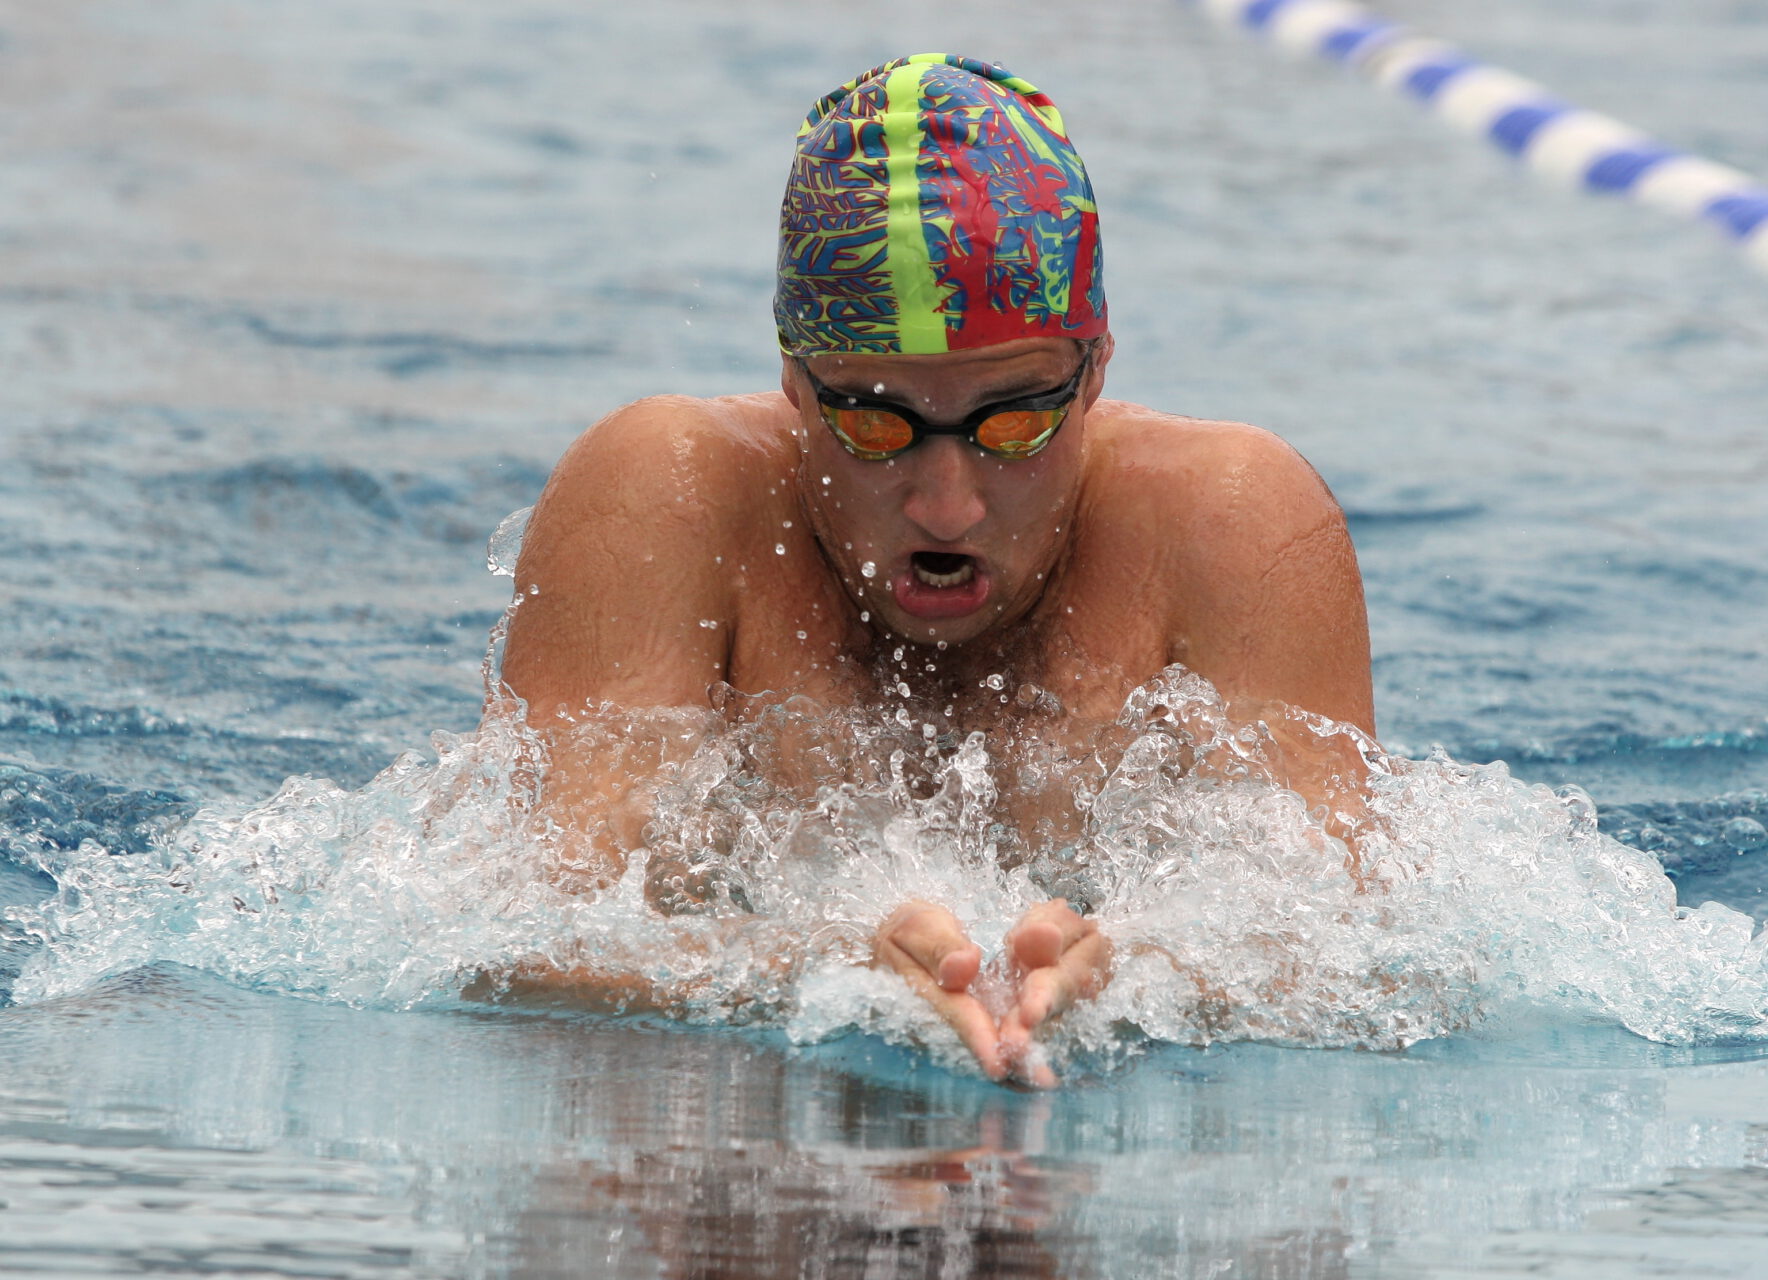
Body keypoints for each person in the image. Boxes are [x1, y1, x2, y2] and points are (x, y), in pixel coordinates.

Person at [497, 53, 1374, 1086]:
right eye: (874, 421)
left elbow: (1365, 951)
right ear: (792, 377)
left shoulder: (1229, 523)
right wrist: (813, 970)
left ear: (1095, 371)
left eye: (1013, 419)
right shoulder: (668, 495)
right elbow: (516, 935)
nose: (947, 502)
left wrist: (1152, 969)